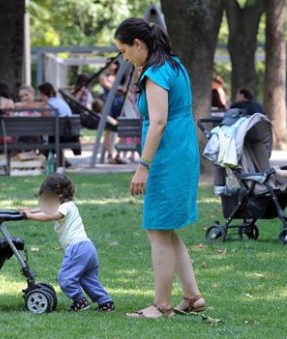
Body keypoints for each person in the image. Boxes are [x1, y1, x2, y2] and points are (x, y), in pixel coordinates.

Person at [115, 18, 204, 318]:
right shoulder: (174, 65)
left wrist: (143, 166)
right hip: (182, 150)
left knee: (156, 229)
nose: (125, 58)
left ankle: (162, 305)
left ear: (138, 45)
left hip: (167, 156)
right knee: (165, 228)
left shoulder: (154, 73)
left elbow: (159, 122)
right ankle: (192, 296)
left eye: (125, 51)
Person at [20, 174, 115, 312]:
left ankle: (80, 302)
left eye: (47, 198)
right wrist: (30, 211)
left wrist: (30, 216)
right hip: (88, 248)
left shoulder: (66, 206)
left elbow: (52, 215)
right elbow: (46, 210)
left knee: (65, 278)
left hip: (77, 248)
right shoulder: (68, 205)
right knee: (88, 279)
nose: (44, 203)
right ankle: (105, 302)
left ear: (58, 197)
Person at [38, 82, 74, 167]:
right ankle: (62, 161)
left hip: (61, 136)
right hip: (70, 134)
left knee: (42, 139)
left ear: (44, 94)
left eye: (41, 95)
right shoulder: (60, 102)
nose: (40, 97)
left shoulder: (49, 105)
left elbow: (44, 121)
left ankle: (46, 162)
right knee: (50, 136)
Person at [99, 59, 126, 164]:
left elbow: (123, 91)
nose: (111, 64)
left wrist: (119, 90)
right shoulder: (103, 77)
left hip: (120, 105)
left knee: (124, 130)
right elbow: (111, 87)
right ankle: (110, 156)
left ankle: (117, 155)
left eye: (113, 62)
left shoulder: (121, 79)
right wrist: (119, 90)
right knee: (107, 132)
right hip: (108, 106)